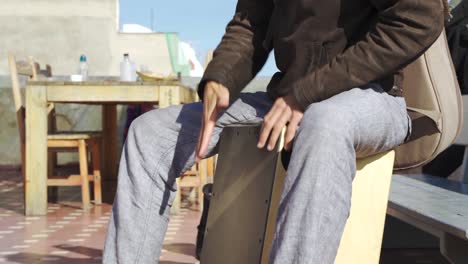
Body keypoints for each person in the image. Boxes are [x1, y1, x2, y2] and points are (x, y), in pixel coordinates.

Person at [103, 0, 445, 263]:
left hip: (373, 97)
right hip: (288, 97)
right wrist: (221, 77)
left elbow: (420, 18)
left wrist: (308, 93)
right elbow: (250, 25)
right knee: (149, 132)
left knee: (324, 123)